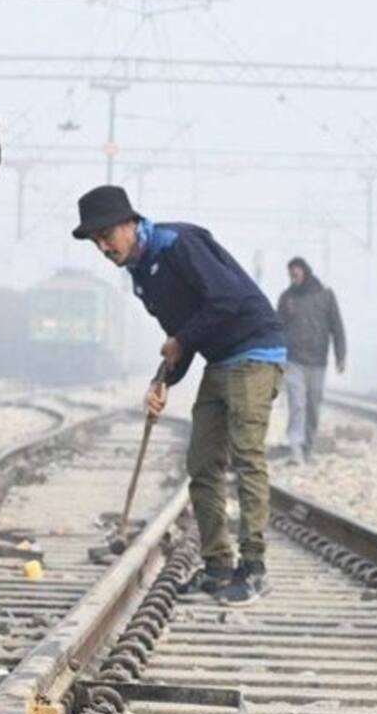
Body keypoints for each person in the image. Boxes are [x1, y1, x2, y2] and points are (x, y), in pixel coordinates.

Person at [75, 184, 286, 604]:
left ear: (130, 223)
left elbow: (225, 299)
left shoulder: (179, 244)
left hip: (255, 350)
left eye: (106, 235)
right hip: (220, 358)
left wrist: (180, 342)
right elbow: (182, 337)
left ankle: (255, 568)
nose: (102, 246)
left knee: (247, 458)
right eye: (95, 240)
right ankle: (218, 566)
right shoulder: (140, 277)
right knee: (202, 465)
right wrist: (163, 380)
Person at [275, 256, 346, 462]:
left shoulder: (325, 295)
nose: (293, 277)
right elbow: (277, 328)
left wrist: (340, 356)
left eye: (295, 273)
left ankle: (308, 447)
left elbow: (336, 326)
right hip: (294, 360)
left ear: (304, 272)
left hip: (318, 361)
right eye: (290, 274)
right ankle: (295, 447)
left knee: (313, 405)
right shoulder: (286, 298)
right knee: (297, 404)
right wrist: (276, 357)